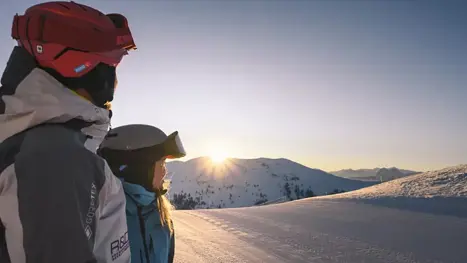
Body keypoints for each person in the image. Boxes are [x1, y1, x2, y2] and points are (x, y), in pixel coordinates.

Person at [0, 1, 136, 262]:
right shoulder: (55, 159)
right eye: (112, 67)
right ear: (88, 70)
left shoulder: (40, 141)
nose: (116, 83)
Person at [98, 124, 186, 263]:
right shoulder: (105, 215)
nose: (165, 172)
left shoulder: (161, 214)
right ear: (140, 167)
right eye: (161, 163)